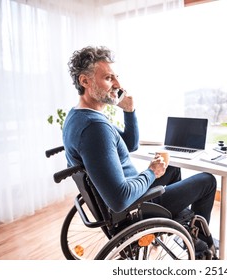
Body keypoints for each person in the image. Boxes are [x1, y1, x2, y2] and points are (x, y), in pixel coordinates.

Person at [62, 46, 217, 250]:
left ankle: (180, 224)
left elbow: (130, 144)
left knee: (172, 168)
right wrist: (151, 172)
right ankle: (199, 246)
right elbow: (120, 199)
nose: (118, 84)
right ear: (85, 81)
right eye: (109, 78)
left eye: (116, 77)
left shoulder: (79, 116)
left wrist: (129, 110)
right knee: (208, 180)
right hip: (134, 208)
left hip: (131, 195)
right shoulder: (95, 128)